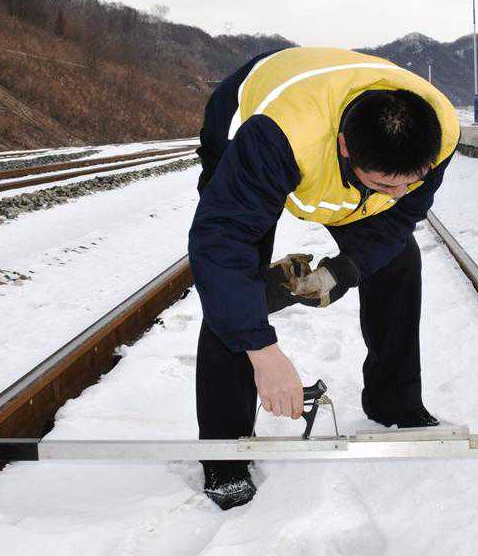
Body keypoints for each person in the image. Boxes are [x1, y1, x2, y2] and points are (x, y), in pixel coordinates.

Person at [188, 46, 460, 510]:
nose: (400, 194)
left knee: (398, 259)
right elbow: (221, 247)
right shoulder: (275, 139)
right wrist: (263, 352)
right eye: (385, 184)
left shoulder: (440, 132)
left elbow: (400, 218)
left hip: (328, 130)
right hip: (246, 125)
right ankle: (225, 455)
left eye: (410, 182)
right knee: (234, 286)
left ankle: (394, 402)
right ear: (345, 148)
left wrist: (342, 270)